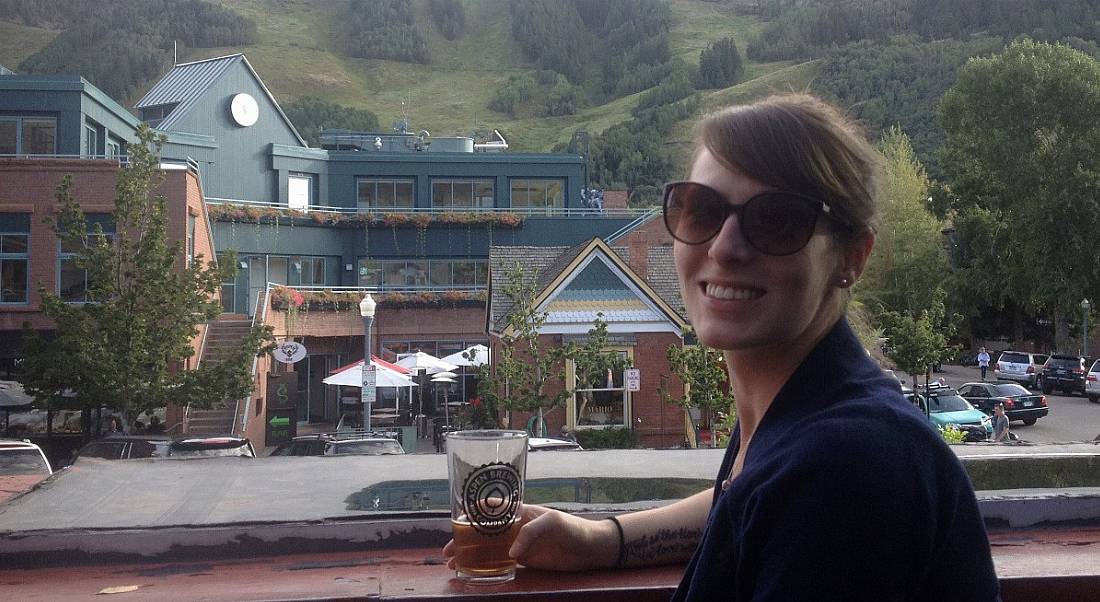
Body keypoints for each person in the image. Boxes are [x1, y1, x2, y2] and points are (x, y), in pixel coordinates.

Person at [442, 94, 999, 599]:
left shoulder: (848, 466)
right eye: (702, 210)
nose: (725, 247)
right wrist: (603, 538)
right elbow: (743, 502)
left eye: (777, 220)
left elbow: (789, 501)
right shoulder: (804, 415)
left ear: (852, 257)